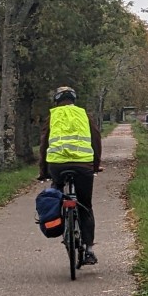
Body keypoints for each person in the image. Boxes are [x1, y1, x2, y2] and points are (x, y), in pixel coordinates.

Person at [39, 86, 103, 265]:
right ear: (74, 100)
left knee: (56, 195)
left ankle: (59, 221)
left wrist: (43, 171)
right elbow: (96, 140)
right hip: (83, 165)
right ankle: (89, 250)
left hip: (57, 166)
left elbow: (44, 145)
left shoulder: (52, 116)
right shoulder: (84, 115)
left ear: (57, 101)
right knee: (85, 206)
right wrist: (95, 165)